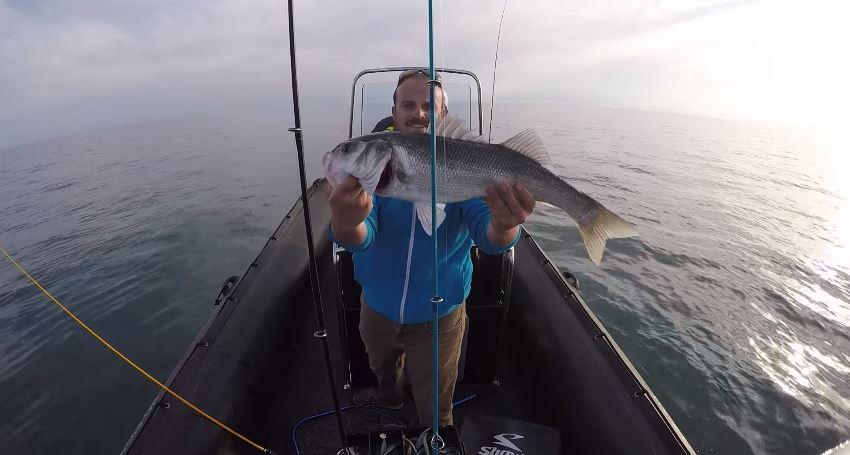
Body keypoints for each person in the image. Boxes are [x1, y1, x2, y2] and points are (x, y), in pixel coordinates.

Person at [327, 68, 535, 427]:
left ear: (442, 116)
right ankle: (389, 397)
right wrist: (346, 221)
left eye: (428, 106)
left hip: (440, 317)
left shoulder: (464, 161)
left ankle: (435, 433)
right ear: (394, 111)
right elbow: (363, 236)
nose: (418, 113)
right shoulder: (375, 173)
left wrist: (505, 223)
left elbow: (489, 237)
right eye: (408, 104)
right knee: (382, 367)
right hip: (377, 306)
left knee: (436, 401)